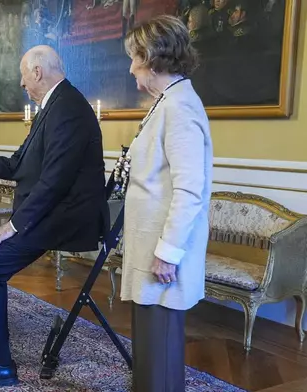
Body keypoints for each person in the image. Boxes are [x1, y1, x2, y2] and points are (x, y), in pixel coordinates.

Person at [0, 45, 109, 388]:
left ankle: (2, 365)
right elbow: (18, 164)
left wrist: (13, 224)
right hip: (50, 211)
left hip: (64, 216)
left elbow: (55, 181)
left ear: (37, 72)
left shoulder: (69, 108)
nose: (21, 83)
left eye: (23, 75)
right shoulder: (53, 107)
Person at [120, 15, 213, 392]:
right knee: (150, 345)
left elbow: (190, 189)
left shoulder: (180, 107)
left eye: (134, 58)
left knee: (159, 350)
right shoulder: (167, 102)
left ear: (153, 57)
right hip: (152, 247)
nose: (130, 68)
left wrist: (168, 253)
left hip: (163, 254)